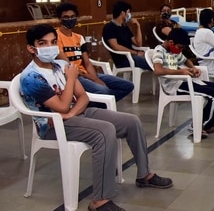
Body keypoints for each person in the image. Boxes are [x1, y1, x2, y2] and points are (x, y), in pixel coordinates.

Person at [20, 24, 172, 211]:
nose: (49, 47)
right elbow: (60, 106)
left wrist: (72, 112)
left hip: (74, 114)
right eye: (43, 43)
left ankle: (144, 174)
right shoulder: (31, 77)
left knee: (131, 121)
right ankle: (99, 200)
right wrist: (69, 86)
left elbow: (82, 97)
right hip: (53, 126)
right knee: (104, 131)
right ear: (31, 48)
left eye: (53, 42)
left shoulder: (60, 65)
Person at [152, 28, 214, 137]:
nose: (180, 50)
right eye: (180, 47)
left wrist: (193, 68)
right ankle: (204, 126)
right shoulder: (159, 51)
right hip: (174, 86)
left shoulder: (173, 50)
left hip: (183, 81)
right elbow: (158, 70)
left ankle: (202, 122)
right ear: (171, 42)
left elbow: (185, 60)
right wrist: (181, 71)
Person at [55, 3, 134, 103]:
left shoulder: (79, 38)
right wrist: (95, 80)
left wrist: (96, 78)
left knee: (127, 85)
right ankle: (100, 103)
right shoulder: (55, 38)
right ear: (59, 19)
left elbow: (87, 63)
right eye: (66, 17)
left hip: (86, 73)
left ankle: (96, 104)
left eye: (72, 17)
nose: (70, 19)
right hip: (73, 77)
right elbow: (69, 66)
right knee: (103, 90)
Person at [102, 1, 151, 70]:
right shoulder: (109, 28)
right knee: (151, 63)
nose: (129, 15)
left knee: (155, 59)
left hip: (132, 56)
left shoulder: (124, 27)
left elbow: (138, 43)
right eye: (128, 12)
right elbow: (116, 47)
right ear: (122, 13)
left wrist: (138, 26)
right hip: (123, 60)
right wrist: (136, 53)